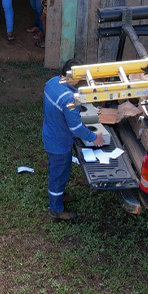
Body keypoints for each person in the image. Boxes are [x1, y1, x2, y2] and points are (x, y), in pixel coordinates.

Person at [42, 59, 105, 220]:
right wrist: (94, 138)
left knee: (57, 170)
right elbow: (76, 128)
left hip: (50, 134)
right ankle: (56, 209)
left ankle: (59, 194)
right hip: (60, 143)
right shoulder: (69, 98)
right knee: (59, 173)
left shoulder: (52, 82)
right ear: (74, 76)